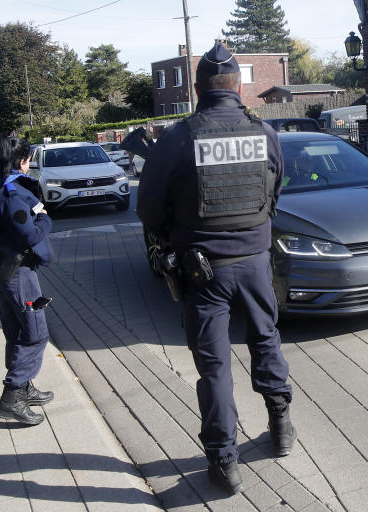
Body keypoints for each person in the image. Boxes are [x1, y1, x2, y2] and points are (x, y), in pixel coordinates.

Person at [136, 42, 295, 496]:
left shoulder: (179, 136)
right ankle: (281, 428)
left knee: (214, 366)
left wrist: (179, 235)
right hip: (256, 262)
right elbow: (275, 189)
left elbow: (148, 208)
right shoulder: (263, 132)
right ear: (239, 85)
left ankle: (225, 463)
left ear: (197, 86)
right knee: (265, 339)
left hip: (203, 269)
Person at [0, 135, 54, 425]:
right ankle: (13, 396)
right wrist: (44, 219)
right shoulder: (11, 193)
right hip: (18, 272)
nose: (29, 166)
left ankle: (25, 386)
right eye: (28, 160)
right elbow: (28, 234)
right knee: (35, 332)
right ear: (21, 161)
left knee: (15, 328)